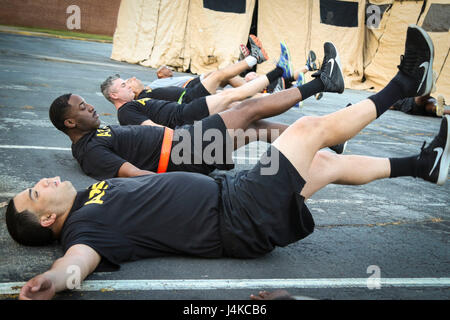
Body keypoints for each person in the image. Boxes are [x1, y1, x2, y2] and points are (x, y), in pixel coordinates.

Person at [7, 25, 448, 301]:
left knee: (324, 163)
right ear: (47, 219)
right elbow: (76, 264)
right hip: (239, 214)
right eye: (35, 193)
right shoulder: (83, 230)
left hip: (233, 194)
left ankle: (422, 165)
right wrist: (53, 280)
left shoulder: (86, 198)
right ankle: (406, 82)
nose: (42, 181)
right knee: (307, 130)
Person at [48, 42, 346, 180]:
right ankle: (323, 82)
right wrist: (186, 185)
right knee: (248, 107)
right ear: (70, 122)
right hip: (183, 149)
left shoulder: (91, 138)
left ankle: (330, 140)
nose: (90, 108)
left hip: (185, 145)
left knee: (257, 129)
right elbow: (136, 175)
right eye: (83, 108)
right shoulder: (90, 151)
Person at [100, 43, 288, 128]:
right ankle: (260, 63)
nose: (130, 83)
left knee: (234, 101)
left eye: (128, 82)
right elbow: (151, 128)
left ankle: (281, 91)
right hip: (188, 103)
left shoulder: (145, 94)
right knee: (229, 92)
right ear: (115, 95)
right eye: (125, 84)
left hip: (188, 101)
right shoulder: (133, 106)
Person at [124, 36, 269, 104]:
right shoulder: (151, 88)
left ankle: (255, 83)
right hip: (192, 86)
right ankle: (250, 64)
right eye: (130, 81)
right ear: (159, 73)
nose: (134, 78)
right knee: (221, 77)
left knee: (226, 83)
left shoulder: (161, 83)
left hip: (192, 85)